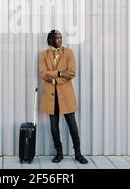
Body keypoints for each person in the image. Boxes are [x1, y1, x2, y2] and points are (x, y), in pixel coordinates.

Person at [38, 29, 88, 164]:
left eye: (60, 37)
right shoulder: (44, 54)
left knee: (72, 124)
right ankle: (59, 153)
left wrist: (55, 78)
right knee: (54, 126)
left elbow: (71, 73)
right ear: (50, 39)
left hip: (65, 95)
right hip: (50, 96)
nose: (60, 40)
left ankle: (78, 153)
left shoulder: (69, 53)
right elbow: (43, 73)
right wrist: (60, 73)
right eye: (57, 38)